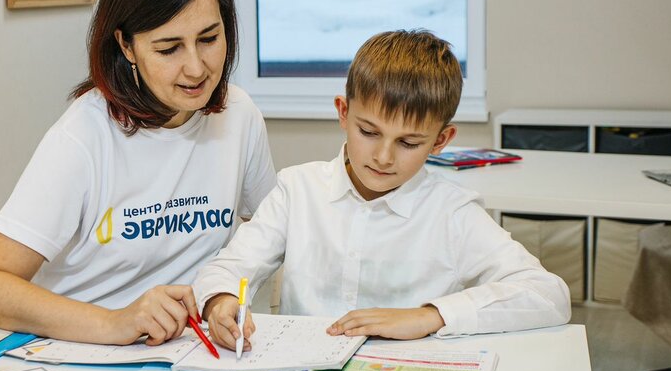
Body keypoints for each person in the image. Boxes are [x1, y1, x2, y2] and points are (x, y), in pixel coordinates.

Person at [0, 0, 276, 346]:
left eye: (209, 39)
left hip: (189, 355)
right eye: (169, 48)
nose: (196, 68)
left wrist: (220, 297)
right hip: (84, 353)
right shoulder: (84, 135)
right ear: (126, 45)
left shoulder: (238, 116)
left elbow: (269, 232)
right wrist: (116, 322)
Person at [195, 29, 570, 350]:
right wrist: (220, 300)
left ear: (441, 140)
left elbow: (547, 294)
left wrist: (430, 316)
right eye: (369, 132)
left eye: (409, 143)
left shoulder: (452, 213)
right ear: (343, 113)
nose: (384, 156)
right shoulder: (298, 190)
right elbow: (229, 267)